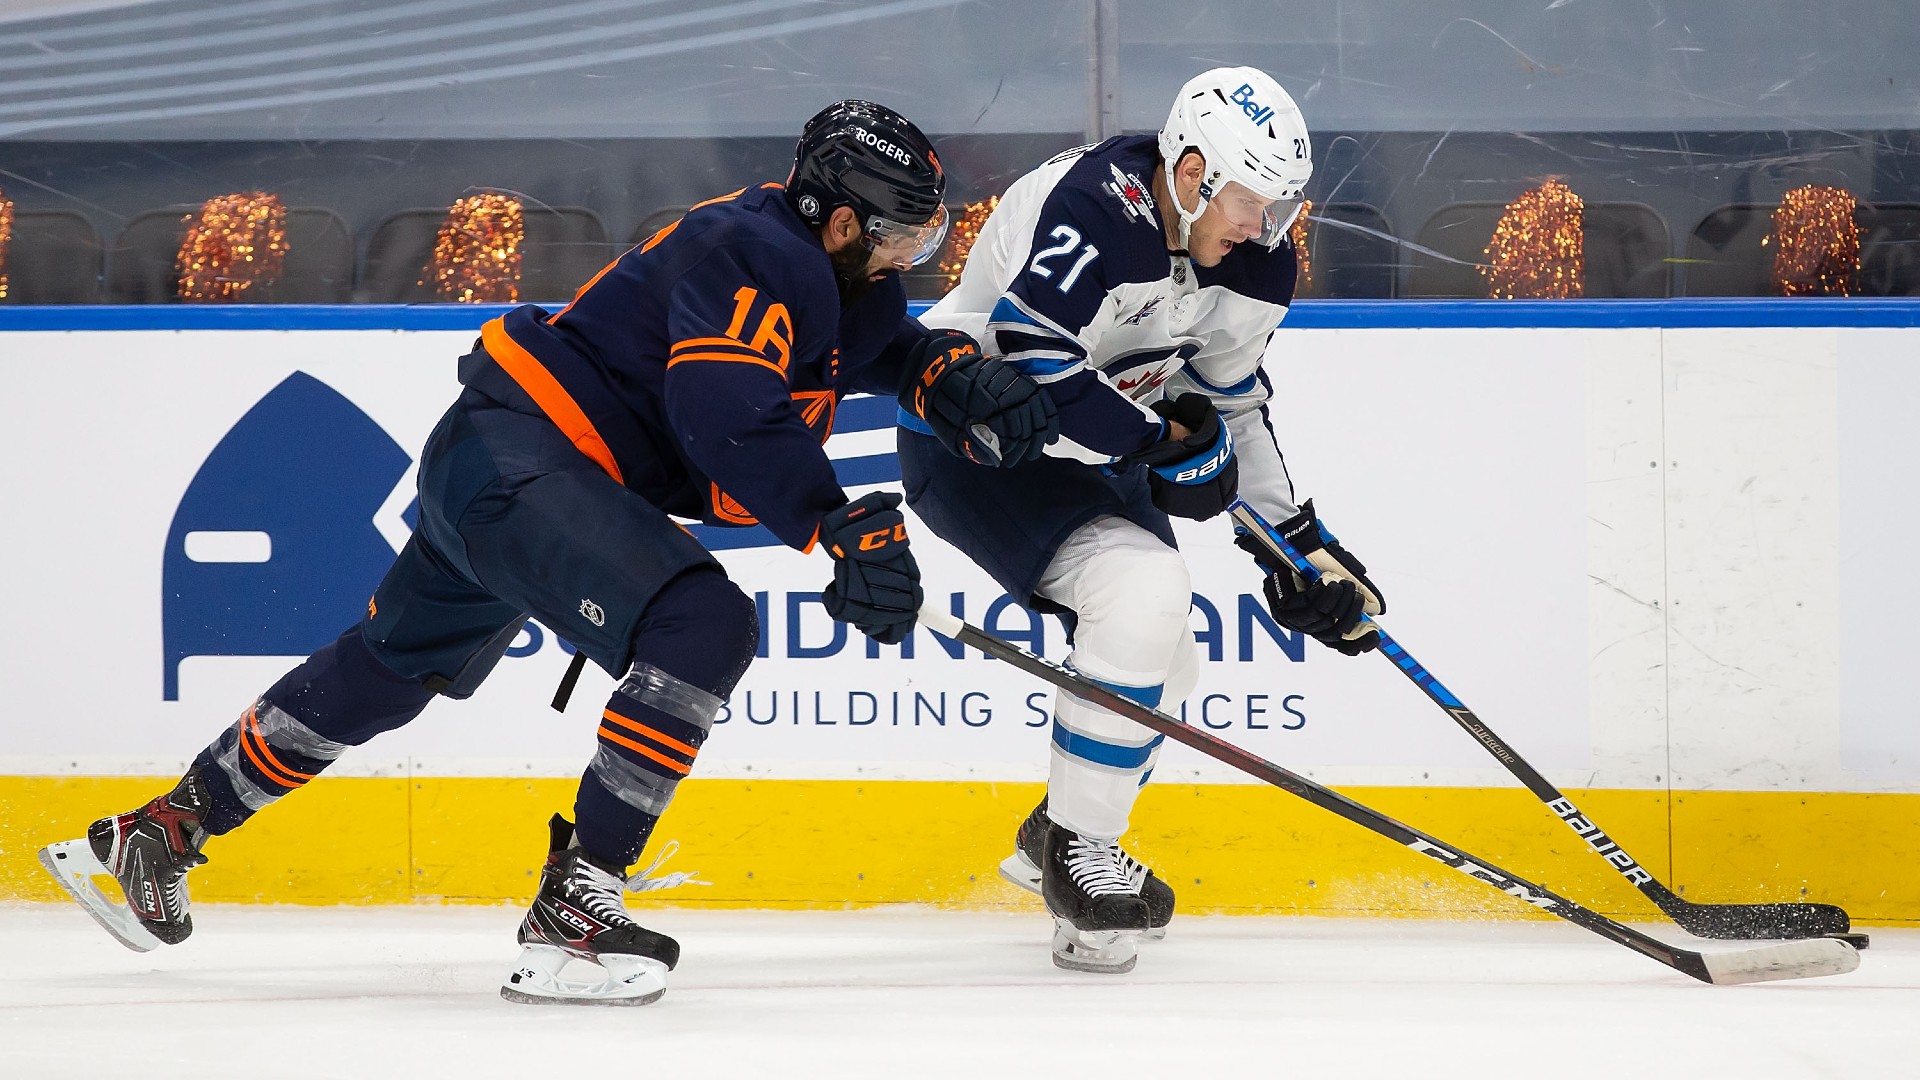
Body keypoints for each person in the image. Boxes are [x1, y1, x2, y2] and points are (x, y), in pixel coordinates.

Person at [37, 100, 1057, 1007]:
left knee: (385, 669)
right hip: (529, 464)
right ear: (840, 222)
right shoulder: (757, 254)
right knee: (702, 624)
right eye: (900, 238)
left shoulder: (806, 260)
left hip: (499, 456)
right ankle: (574, 914)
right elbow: (722, 410)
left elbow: (861, 343)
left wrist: (936, 371)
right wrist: (834, 523)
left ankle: (157, 833)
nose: (909, 260)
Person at [901, 66, 1386, 973]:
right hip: (979, 440)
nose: (1265, 229)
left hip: (1095, 450)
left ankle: (1061, 836)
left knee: (1169, 648)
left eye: (1282, 210)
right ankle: (1080, 856)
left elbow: (1230, 402)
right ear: (1194, 171)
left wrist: (1298, 551)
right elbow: (1030, 358)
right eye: (1253, 203)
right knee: (1147, 593)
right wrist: (1160, 442)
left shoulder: (1255, 260)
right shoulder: (1095, 207)